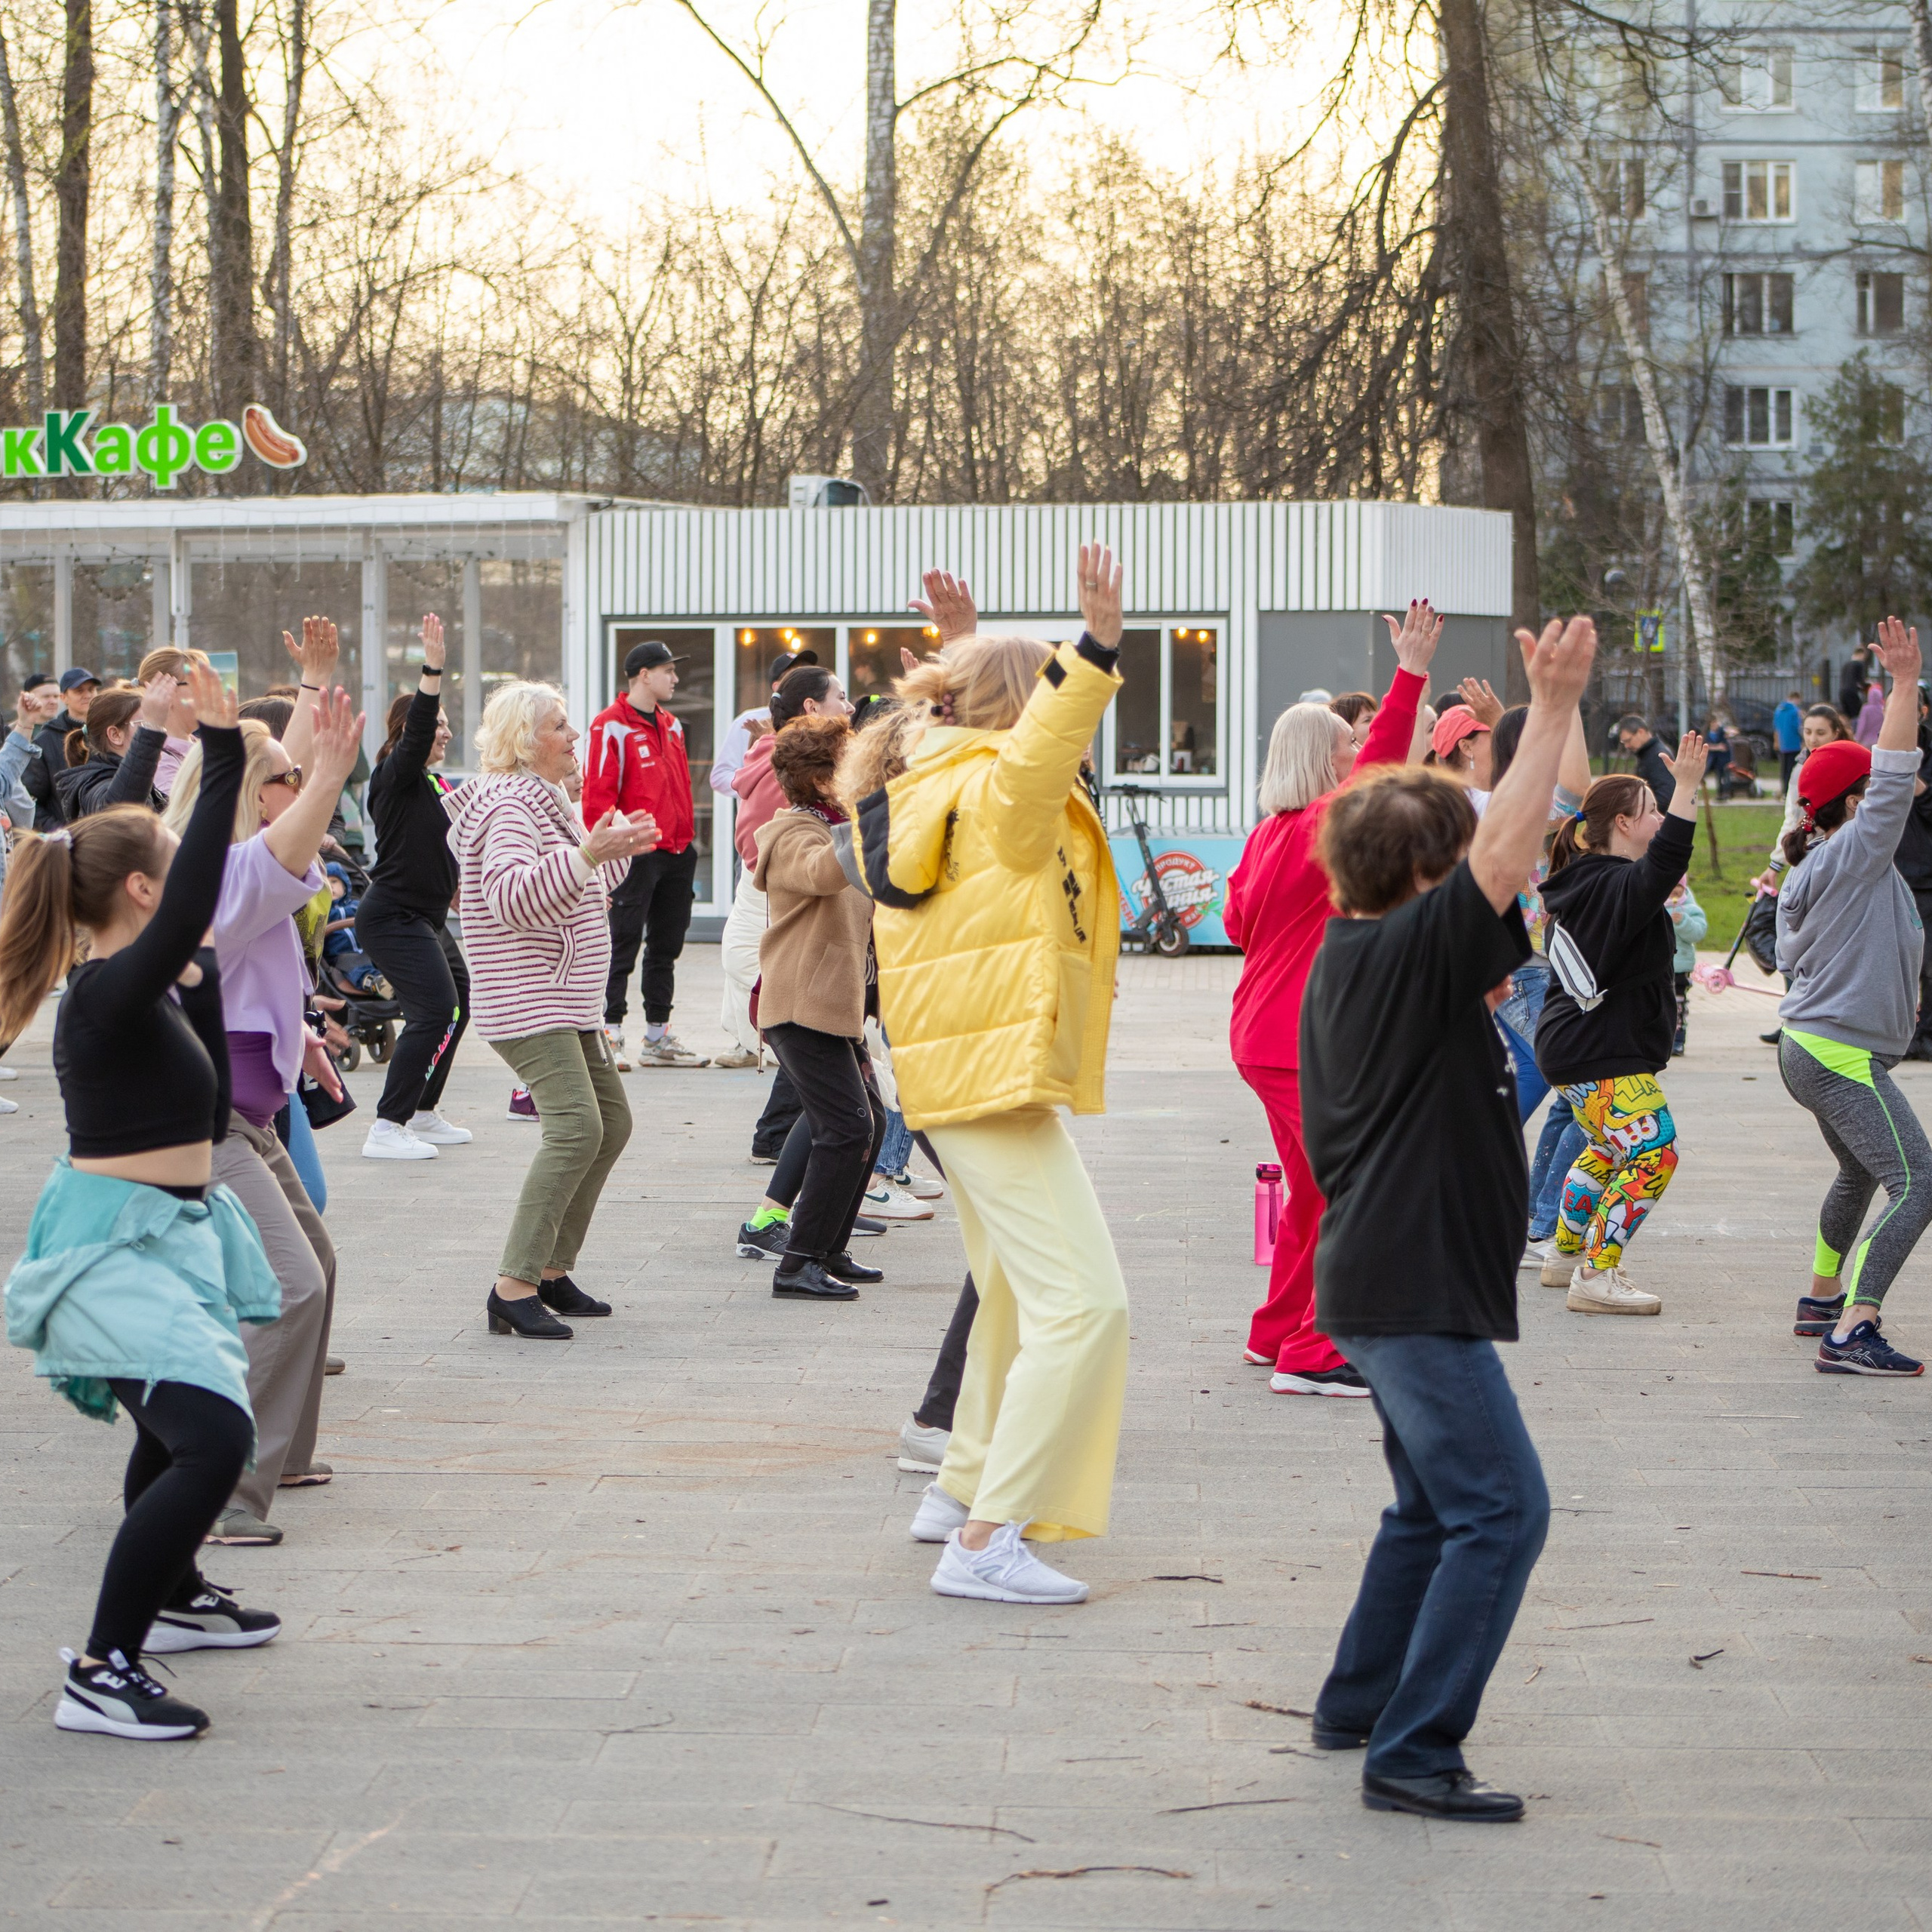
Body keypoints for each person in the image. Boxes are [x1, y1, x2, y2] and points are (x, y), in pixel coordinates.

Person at [1297, 615, 1594, 1824]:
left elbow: (1487, 872)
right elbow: (1505, 856)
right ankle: (1413, 1753)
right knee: (1502, 1509)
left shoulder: (1368, 955)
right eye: (1460, 872)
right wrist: (1555, 708)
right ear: (1425, 882)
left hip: (1391, 1286)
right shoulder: (1400, 955)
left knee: (1429, 1506)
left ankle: (1357, 1704)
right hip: (1407, 1294)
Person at [0, 663, 285, 1741]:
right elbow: (198, 882)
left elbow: (205, 1113)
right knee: (211, 1442)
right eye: (170, 878)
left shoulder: (148, 989)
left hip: (163, 1237)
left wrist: (203, 986)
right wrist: (219, 752)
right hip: (108, 1250)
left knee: (177, 1439)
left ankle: (166, 1602)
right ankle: (102, 1668)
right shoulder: (108, 991)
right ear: (139, 895)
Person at [855, 542, 1131, 1607]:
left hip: (960, 1076)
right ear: (1028, 708)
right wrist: (1095, 651)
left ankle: (959, 1490)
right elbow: (1037, 754)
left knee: (1019, 1291)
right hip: (984, 1079)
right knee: (1088, 1306)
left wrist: (964, 646)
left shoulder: (935, 777)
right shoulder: (1001, 792)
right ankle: (986, 1537)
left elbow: (976, 727)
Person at [1222, 601, 1442, 1397]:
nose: (1358, 755)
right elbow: (1385, 757)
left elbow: (1237, 921)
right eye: (1345, 747)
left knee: (1314, 1187)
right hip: (1307, 1040)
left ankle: (1276, 1331)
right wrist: (1410, 672)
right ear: (1327, 759)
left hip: (1264, 1033)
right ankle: (1313, 1354)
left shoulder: (1269, 832)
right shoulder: (1323, 824)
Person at [164, 691, 364, 1542]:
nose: (300, 787)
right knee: (291, 1283)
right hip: (210, 1122)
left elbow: (276, 803)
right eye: (283, 779)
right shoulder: (225, 873)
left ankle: (278, 1454)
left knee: (313, 1258)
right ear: (255, 794)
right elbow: (285, 824)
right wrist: (327, 771)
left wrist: (312, 706)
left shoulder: (237, 865)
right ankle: (221, 1492)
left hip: (249, 1108)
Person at [447, 681, 659, 1338]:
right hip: (529, 996)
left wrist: (607, 850)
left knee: (610, 1123)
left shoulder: (547, 799)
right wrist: (592, 852)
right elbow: (511, 897)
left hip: (562, 997)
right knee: (575, 1129)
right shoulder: (513, 804)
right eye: (560, 727)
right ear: (523, 741)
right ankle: (513, 1284)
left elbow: (576, 880)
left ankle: (547, 1272)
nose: (574, 737)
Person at [1777, 617, 1932, 1377]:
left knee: (1860, 1169)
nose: (1887, 799)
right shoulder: (1852, 853)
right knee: (1919, 1178)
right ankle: (1853, 1328)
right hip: (1835, 1053)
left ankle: (1819, 1299)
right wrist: (1904, 685)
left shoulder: (1822, 860)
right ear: (1852, 803)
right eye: (1870, 792)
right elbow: (1897, 771)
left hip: (1814, 1048)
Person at [1534, 732, 1709, 1315]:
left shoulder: (1592, 881)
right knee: (1656, 1151)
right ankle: (1597, 1273)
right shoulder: (1614, 882)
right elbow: (1668, 861)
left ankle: (1562, 1259)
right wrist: (1685, 787)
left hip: (1573, 1050)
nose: (1661, 819)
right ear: (1623, 825)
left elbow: (1657, 872)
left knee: (1607, 1149)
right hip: (1598, 1051)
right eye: (1652, 811)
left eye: (1664, 808)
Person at [752, 714, 888, 1300]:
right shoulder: (794, 834)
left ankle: (828, 1249)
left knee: (870, 1124)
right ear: (823, 777)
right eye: (848, 762)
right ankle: (796, 1262)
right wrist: (880, 812)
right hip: (799, 1006)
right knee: (846, 1127)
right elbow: (824, 873)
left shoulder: (839, 823)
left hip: (833, 1007)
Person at [350, 614, 473, 1159]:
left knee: (460, 1002)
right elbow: (420, 727)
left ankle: (422, 1111)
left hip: (426, 916)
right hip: (393, 916)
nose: (445, 732)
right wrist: (433, 671)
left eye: (447, 725)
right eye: (438, 725)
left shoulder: (434, 781)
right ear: (408, 732)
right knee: (433, 1010)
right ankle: (386, 1125)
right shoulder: (394, 776)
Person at [718, 664, 854, 1084]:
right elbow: (779, 858)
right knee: (827, 1062)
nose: (849, 708)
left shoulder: (777, 755)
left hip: (773, 913)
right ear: (812, 707)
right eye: (841, 698)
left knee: (825, 1074)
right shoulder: (796, 779)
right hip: (775, 913)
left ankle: (775, 1136)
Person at [586, 640, 708, 1069]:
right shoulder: (610, 725)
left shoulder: (672, 725)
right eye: (668, 671)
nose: (675, 679)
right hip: (635, 853)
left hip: (677, 850)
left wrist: (686, 838)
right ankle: (610, 1031)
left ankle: (657, 1036)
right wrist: (606, 852)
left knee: (666, 946)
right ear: (643, 674)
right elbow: (597, 797)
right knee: (621, 941)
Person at [52, 676, 180, 819]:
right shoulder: (94, 785)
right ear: (115, 735)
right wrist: (152, 729)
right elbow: (118, 812)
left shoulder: (139, 783)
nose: (162, 734)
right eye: (144, 724)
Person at [711, 646, 820, 801]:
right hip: (760, 822)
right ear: (777, 687)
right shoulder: (749, 721)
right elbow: (720, 776)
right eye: (797, 676)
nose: (807, 683)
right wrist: (755, 785)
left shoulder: (818, 722)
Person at [1897, 686, 1932, 1060]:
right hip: (1890, 868)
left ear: (1922, 710)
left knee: (1929, 960)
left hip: (1926, 871)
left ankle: (1928, 1031)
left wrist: (1912, 776)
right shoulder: (1879, 751)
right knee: (1898, 956)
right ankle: (1903, 1030)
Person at [23, 666, 100, 830]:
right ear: (64, 697)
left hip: (103, 837)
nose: (87, 695)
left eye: (92, 690)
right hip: (66, 841)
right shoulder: (45, 741)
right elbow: (31, 801)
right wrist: (60, 831)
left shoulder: (110, 733)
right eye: (79, 691)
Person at [1668, 880, 1707, 1056]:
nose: (1675, 889)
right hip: (1659, 967)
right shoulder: (1654, 905)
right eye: (1672, 884)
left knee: (1678, 1004)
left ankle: (1677, 1039)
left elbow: (1698, 933)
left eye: (1680, 885)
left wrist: (1683, 922)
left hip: (1680, 967)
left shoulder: (1689, 909)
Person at [1614, 714, 1675, 811]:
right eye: (1624, 743)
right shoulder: (1648, 754)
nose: (1627, 746)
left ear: (1641, 732)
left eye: (1628, 740)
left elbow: (1665, 796)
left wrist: (1642, 814)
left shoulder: (1657, 756)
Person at [1773, 690, 1804, 795]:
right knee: (1793, 769)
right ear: (1796, 699)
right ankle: (1791, 792)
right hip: (1794, 743)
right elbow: (1797, 727)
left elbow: (1776, 727)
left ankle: (1784, 791)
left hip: (1783, 744)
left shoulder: (1779, 710)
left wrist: (1777, 741)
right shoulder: (1795, 711)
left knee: (1784, 769)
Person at [1838, 643, 1871, 723]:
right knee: (1857, 714)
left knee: (1847, 716)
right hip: (1852, 692)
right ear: (1861, 654)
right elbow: (1861, 681)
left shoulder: (1846, 664)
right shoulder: (1859, 664)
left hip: (1842, 692)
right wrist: (1868, 685)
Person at [1856, 678, 1887, 748]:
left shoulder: (1866, 709)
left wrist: (1857, 739)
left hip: (1866, 742)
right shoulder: (1884, 709)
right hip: (1880, 741)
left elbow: (1862, 726)